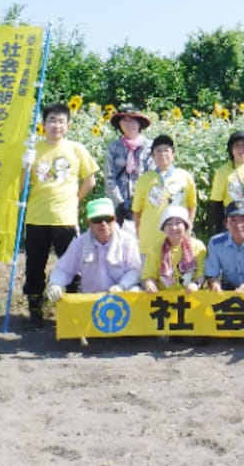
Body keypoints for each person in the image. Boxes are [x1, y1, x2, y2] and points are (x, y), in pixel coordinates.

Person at [22, 102, 99, 329]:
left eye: (61, 121)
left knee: (73, 264)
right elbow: (19, 187)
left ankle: (73, 307)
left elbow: (90, 180)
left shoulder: (76, 149)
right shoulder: (33, 150)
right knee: (35, 265)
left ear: (68, 125)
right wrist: (25, 168)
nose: (56, 125)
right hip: (36, 217)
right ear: (43, 124)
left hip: (65, 218)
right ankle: (36, 308)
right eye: (51, 120)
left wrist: (75, 199)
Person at [45, 198, 143, 303]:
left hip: (122, 296)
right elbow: (63, 269)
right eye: (97, 219)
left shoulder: (128, 241)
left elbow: (135, 270)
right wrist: (55, 284)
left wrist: (122, 286)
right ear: (89, 222)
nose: (103, 224)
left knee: (136, 292)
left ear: (114, 219)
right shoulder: (79, 244)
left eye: (108, 219)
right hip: (91, 300)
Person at [131, 134, 197, 260]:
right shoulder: (144, 179)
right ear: (153, 156)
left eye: (166, 150)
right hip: (150, 240)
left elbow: (191, 205)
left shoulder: (185, 177)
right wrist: (139, 232)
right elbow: (137, 210)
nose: (162, 154)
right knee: (149, 277)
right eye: (158, 151)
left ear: (173, 154)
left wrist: (189, 226)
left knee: (178, 276)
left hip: (177, 239)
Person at [103, 105, 155, 231]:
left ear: (139, 124)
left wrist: (140, 202)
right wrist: (120, 202)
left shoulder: (150, 147)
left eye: (132, 120)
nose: (128, 124)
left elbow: (153, 177)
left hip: (145, 204)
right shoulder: (113, 148)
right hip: (119, 206)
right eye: (124, 120)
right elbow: (109, 177)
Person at [141, 206, 206, 294]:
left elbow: (201, 274)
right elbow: (149, 276)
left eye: (178, 223)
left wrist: (196, 284)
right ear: (163, 228)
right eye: (169, 224)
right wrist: (150, 284)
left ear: (186, 226)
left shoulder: (198, 247)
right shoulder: (154, 250)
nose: (174, 228)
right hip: (164, 300)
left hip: (192, 298)